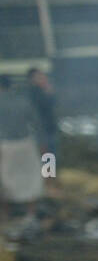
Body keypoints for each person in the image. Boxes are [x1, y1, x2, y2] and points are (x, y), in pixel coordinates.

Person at [0, 75, 44, 233]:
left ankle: (5, 215)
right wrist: (43, 148)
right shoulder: (23, 101)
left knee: (5, 179)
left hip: (5, 145)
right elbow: (37, 125)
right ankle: (30, 214)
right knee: (30, 177)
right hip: (26, 143)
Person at [26, 68, 58, 167]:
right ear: (32, 79)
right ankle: (48, 179)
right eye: (39, 76)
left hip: (46, 129)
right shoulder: (34, 93)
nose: (43, 78)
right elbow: (44, 108)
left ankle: (49, 177)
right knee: (47, 156)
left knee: (49, 156)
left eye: (43, 75)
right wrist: (49, 93)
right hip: (42, 131)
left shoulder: (40, 91)